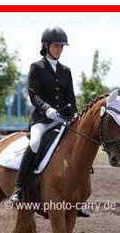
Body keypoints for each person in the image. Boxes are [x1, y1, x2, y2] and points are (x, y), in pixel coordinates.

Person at [9, 26, 77, 204]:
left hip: (62, 119)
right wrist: (47, 109)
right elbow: (34, 95)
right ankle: (19, 188)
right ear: (46, 46)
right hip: (42, 119)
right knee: (35, 143)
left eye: (62, 46)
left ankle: (77, 196)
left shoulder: (66, 70)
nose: (59, 49)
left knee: (77, 145)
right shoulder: (36, 67)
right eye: (56, 46)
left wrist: (74, 114)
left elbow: (70, 97)